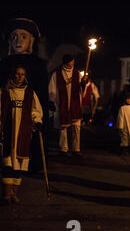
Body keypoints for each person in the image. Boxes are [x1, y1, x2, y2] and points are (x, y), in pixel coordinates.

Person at [0, 18, 49, 172]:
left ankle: (31, 165)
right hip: (9, 110)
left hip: (28, 109)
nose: (18, 40)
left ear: (31, 40)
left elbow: (42, 92)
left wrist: (40, 117)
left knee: (26, 141)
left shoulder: (39, 64)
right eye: (14, 36)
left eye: (23, 36)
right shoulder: (4, 63)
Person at [0, 66, 43, 204]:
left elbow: (35, 110)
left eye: (22, 74)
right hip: (8, 131)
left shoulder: (30, 93)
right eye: (17, 74)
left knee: (19, 163)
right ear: (12, 75)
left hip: (23, 132)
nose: (19, 77)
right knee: (8, 163)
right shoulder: (5, 92)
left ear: (25, 76)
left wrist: (37, 121)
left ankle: (14, 193)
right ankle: (6, 193)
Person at [48, 54, 83, 157]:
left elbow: (81, 90)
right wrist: (51, 101)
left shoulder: (77, 73)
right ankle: (63, 149)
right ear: (67, 62)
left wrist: (83, 85)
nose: (73, 62)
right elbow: (52, 88)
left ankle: (76, 149)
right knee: (63, 128)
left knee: (76, 127)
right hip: (61, 104)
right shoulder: (57, 74)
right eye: (72, 60)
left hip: (75, 104)